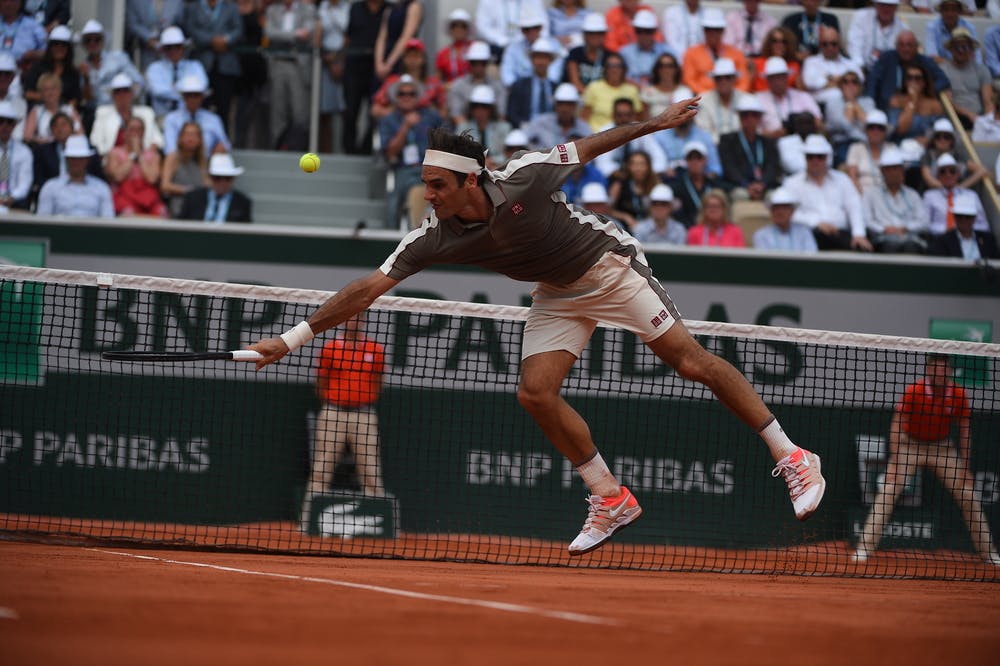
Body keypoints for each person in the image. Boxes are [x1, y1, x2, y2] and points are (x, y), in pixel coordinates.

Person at [249, 102, 828, 556]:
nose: (428, 195)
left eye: (438, 186)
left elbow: (594, 145)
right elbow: (367, 289)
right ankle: (610, 496)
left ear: (471, 181)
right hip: (556, 294)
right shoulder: (433, 235)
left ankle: (793, 455)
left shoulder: (524, 176)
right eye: (425, 184)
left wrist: (660, 122)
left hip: (608, 267)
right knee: (534, 392)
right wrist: (292, 338)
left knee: (689, 360)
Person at [853, 354, 1000, 566]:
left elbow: (965, 431)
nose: (939, 372)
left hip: (943, 449)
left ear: (949, 371)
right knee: (888, 490)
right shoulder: (915, 391)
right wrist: (894, 463)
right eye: (935, 368)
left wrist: (965, 468)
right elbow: (897, 424)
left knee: (968, 495)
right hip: (910, 446)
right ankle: (863, 549)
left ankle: (988, 553)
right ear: (928, 370)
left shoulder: (958, 394)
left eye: (943, 368)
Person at [301, 312, 388, 529]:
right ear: (344, 321)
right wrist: (337, 400)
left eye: (359, 318)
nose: (355, 322)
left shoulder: (375, 349)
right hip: (334, 413)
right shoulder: (331, 348)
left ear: (364, 322)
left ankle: (378, 522)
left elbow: (378, 382)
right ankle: (308, 522)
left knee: (370, 468)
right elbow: (320, 382)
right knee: (322, 466)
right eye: (351, 318)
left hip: (364, 415)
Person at [783, 134, 872, 251]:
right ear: (805, 158)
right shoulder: (792, 183)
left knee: (866, 244)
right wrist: (816, 223)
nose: (815, 161)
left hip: (840, 233)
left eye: (820, 157)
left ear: (827, 158)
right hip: (809, 233)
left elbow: (854, 207)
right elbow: (787, 213)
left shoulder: (843, 180)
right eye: (810, 157)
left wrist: (858, 234)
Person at [378, 74, 444, 229]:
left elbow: (445, 143)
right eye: (402, 94)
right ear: (396, 96)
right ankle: (392, 241)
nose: (406, 97)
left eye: (411, 94)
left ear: (417, 96)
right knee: (393, 201)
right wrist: (405, 127)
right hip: (403, 170)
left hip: (430, 168)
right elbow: (390, 153)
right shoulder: (388, 120)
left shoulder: (431, 117)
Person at [181, 0, 243, 132]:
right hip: (202, 65)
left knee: (224, 108)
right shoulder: (193, 7)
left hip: (226, 66)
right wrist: (211, 40)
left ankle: (222, 144)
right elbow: (191, 29)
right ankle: (198, 141)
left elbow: (238, 30)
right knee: (200, 106)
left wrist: (226, 40)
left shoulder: (231, 7)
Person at [263, 0, 316, 151]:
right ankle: (277, 148)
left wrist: (283, 36)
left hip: (298, 64)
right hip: (278, 62)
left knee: (300, 112)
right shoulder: (272, 10)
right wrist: (294, 35)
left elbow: (307, 32)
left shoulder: (307, 9)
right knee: (278, 112)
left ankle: (299, 148)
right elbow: (269, 32)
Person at [340, 0, 386, 154]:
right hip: (354, 66)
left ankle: (366, 149)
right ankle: (349, 150)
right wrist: (340, 59)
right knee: (351, 109)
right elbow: (347, 36)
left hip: (377, 68)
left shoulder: (388, 10)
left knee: (374, 111)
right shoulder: (356, 8)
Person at [863, 148, 929, 253]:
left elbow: (924, 221)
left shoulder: (912, 194)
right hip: (883, 239)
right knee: (890, 246)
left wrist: (906, 228)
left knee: (911, 247)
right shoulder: (871, 194)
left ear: (902, 170)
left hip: (910, 239)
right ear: (882, 171)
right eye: (888, 169)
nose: (893, 173)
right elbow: (866, 220)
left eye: (896, 168)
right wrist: (884, 229)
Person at [867, 31, 950, 113]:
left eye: (909, 45)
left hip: (917, 107)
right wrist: (870, 103)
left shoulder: (925, 61)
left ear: (917, 47)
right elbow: (872, 80)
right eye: (901, 45)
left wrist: (926, 92)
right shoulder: (886, 58)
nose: (906, 49)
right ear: (896, 46)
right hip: (887, 106)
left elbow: (943, 80)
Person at [719, 96, 780, 202]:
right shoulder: (727, 141)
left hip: (764, 186)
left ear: (759, 118)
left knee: (776, 197)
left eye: (754, 115)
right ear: (739, 117)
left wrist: (763, 184)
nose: (749, 119)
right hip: (740, 186)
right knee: (740, 195)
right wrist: (747, 185)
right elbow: (729, 168)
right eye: (745, 115)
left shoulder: (768, 142)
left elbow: (772, 167)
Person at [35, 135, 113, 218]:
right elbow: (42, 221)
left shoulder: (101, 188)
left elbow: (108, 221)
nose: (76, 162)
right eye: (73, 158)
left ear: (87, 160)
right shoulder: (50, 187)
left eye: (80, 158)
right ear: (66, 159)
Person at [104, 116, 167, 218]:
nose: (135, 133)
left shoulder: (153, 155)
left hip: (147, 197)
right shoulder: (115, 153)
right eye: (132, 129)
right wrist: (133, 156)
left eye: (139, 129)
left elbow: (152, 179)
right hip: (124, 196)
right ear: (125, 132)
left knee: (161, 212)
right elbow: (117, 177)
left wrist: (140, 156)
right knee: (128, 213)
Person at [78, 19, 146, 112]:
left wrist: (125, 100)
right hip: (99, 112)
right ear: (84, 44)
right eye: (88, 40)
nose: (92, 43)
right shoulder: (83, 66)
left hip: (122, 109)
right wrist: (86, 78)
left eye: (97, 39)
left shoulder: (118, 57)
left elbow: (139, 82)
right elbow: (88, 99)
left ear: (103, 40)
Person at [144, 26, 210, 121]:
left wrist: (173, 88)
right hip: (162, 118)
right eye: (169, 48)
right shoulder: (154, 68)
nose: (173, 51)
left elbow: (202, 88)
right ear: (163, 49)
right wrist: (186, 89)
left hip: (191, 118)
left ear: (183, 48)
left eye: (177, 47)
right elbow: (158, 91)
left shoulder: (195, 66)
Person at [89, 73, 163, 157]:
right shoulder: (103, 113)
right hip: (112, 160)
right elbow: (95, 142)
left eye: (125, 90)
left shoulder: (146, 113)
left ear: (132, 93)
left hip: (143, 159)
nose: (122, 95)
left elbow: (158, 140)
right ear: (112, 95)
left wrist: (144, 156)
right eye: (117, 91)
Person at [592, 96, 665, 177]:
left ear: (633, 115)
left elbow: (659, 156)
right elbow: (603, 163)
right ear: (613, 115)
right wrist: (621, 176)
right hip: (615, 177)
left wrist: (647, 173)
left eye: (628, 115)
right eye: (620, 115)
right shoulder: (604, 133)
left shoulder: (641, 129)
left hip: (641, 175)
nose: (624, 119)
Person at [682, 9, 749, 95]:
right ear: (704, 30)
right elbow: (689, 80)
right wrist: (709, 97)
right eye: (708, 29)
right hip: (702, 100)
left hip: (732, 100)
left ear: (723, 30)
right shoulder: (691, 53)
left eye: (717, 30)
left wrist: (732, 97)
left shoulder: (736, 54)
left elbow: (744, 81)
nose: (713, 33)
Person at [162, 75, 230, 157]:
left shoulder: (213, 119)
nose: (192, 99)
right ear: (183, 97)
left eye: (196, 95)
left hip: (207, 161)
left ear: (202, 97)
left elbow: (226, 144)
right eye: (189, 95)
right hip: (180, 162)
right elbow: (170, 148)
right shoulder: (171, 119)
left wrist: (219, 149)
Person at [940, 28, 994, 131]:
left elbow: (988, 101)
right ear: (951, 49)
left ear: (971, 49)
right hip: (954, 116)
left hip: (979, 117)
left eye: (965, 47)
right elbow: (948, 102)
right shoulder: (942, 70)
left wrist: (988, 119)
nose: (961, 51)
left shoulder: (982, 69)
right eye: (957, 47)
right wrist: (969, 115)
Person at [755, 57, 822, 139]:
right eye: (773, 78)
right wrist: (771, 134)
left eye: (780, 77)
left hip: (803, 140)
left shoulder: (802, 96)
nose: (777, 82)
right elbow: (753, 129)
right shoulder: (758, 99)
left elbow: (818, 122)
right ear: (767, 80)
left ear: (787, 77)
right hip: (771, 143)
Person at [922, 153, 990, 234]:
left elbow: (984, 226)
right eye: (943, 171)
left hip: (967, 238)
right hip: (940, 241)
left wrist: (964, 229)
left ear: (958, 174)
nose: (948, 175)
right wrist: (947, 231)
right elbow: (924, 225)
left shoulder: (971, 196)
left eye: (952, 171)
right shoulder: (929, 196)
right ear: (938, 176)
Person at [179, 152, 252, 223]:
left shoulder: (242, 202)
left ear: (233, 179)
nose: (222, 183)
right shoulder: (193, 198)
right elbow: (180, 225)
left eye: (227, 178)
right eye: (217, 178)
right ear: (210, 178)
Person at [21, 25, 82, 109]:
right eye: (56, 44)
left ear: (69, 48)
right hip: (38, 112)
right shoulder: (37, 67)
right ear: (50, 47)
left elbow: (75, 100)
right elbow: (28, 93)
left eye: (63, 45)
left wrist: (63, 111)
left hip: (63, 115)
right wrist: (50, 98)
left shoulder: (73, 73)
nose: (59, 48)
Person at [446, 41, 506, 127]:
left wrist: (487, 133)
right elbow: (456, 115)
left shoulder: (498, 86)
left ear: (487, 63)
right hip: (464, 133)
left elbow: (501, 115)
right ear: (469, 63)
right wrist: (471, 133)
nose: (478, 66)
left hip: (492, 131)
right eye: (474, 63)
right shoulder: (457, 86)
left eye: (482, 63)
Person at [506, 37, 562, 128]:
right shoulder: (519, 85)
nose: (541, 62)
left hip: (551, 132)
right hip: (525, 131)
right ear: (532, 60)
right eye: (537, 57)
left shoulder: (556, 88)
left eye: (544, 58)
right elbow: (512, 113)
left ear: (550, 61)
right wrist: (525, 126)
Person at [666, 140, 723, 227]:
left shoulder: (714, 184)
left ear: (705, 160)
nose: (695, 162)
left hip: (712, 230)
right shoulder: (676, 187)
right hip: (687, 232)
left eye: (698, 158)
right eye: (690, 158)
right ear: (685, 161)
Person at [160, 121, 211, 218]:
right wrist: (189, 191)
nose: (191, 138)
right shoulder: (173, 157)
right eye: (188, 134)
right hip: (179, 205)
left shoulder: (202, 160)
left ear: (200, 140)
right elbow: (165, 186)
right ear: (181, 138)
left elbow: (206, 183)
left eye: (195, 135)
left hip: (199, 206)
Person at [581, 53, 642, 133]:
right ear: (605, 69)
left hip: (625, 136)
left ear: (623, 69)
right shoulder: (594, 87)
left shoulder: (632, 90)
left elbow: (638, 119)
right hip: (596, 136)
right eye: (610, 66)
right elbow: (584, 118)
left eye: (618, 66)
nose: (614, 69)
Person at [927, 193, 1000, 260]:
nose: (963, 220)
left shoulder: (988, 239)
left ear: (974, 218)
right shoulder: (943, 241)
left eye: (968, 217)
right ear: (954, 217)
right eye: (959, 216)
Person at [826, 73, 877, 168]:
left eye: (854, 82)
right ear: (841, 86)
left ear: (860, 86)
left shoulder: (868, 102)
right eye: (846, 82)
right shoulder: (832, 103)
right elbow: (844, 126)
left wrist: (855, 105)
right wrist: (850, 104)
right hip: (842, 143)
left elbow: (870, 126)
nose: (850, 85)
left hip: (866, 143)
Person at [918, 119, 985, 191]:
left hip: (955, 195)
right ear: (933, 140)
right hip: (931, 194)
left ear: (952, 140)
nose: (942, 140)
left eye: (946, 137)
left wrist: (961, 187)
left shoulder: (957, 156)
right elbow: (928, 179)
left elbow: (981, 171)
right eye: (938, 136)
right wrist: (948, 188)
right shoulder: (928, 155)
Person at [500, 14, 563, 88]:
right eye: (526, 29)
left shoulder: (554, 46)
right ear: (522, 30)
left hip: (546, 88)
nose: (531, 32)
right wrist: (518, 90)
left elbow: (554, 75)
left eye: (535, 28)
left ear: (541, 28)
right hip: (519, 90)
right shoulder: (513, 48)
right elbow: (507, 75)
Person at [455, 85, 512, 168]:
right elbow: (458, 154)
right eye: (475, 106)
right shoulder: (463, 127)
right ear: (471, 108)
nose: (480, 110)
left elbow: (509, 154)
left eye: (484, 106)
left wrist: (492, 161)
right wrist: (481, 162)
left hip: (498, 170)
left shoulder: (504, 128)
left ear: (491, 109)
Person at [523, 82, 592, 150]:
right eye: (560, 104)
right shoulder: (540, 123)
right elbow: (523, 142)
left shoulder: (584, 130)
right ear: (555, 105)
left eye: (569, 104)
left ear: (576, 106)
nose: (564, 109)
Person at [692, 58, 747, 143]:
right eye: (719, 78)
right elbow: (704, 132)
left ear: (734, 79)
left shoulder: (745, 99)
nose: (723, 81)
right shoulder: (703, 100)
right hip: (713, 148)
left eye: (727, 77)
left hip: (740, 149)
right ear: (714, 80)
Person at [887, 63, 944, 143]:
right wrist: (913, 100)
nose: (913, 81)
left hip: (925, 147)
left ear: (924, 82)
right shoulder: (896, 101)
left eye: (917, 78)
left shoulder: (934, 105)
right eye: (909, 78)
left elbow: (941, 131)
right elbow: (900, 130)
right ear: (905, 82)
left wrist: (928, 139)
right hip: (899, 145)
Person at [801, 26, 856, 108]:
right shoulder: (811, 61)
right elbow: (810, 83)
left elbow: (859, 80)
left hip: (847, 104)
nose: (830, 47)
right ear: (820, 45)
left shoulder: (850, 63)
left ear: (840, 44)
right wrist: (843, 82)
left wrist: (828, 80)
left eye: (833, 44)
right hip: (820, 106)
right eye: (825, 44)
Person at [607, 149, 661, 232]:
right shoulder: (619, 185)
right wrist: (625, 217)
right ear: (628, 166)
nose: (638, 168)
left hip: (649, 229)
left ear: (648, 166)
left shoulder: (655, 185)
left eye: (642, 164)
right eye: (634, 164)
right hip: (624, 230)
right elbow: (607, 210)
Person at [474, 0, 548, 60]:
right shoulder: (487, 1)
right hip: (499, 47)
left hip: (529, 46)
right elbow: (482, 27)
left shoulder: (535, 1)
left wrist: (524, 42)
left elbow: (544, 27)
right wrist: (503, 41)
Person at [21, 73, 81, 145]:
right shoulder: (36, 111)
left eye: (53, 88)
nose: (50, 93)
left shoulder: (69, 110)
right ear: (40, 93)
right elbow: (27, 137)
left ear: (60, 90)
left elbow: (80, 134)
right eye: (46, 90)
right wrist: (46, 141)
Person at [845, 109, 897, 192]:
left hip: (887, 195)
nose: (875, 131)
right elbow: (852, 177)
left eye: (880, 128)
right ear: (866, 130)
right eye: (871, 127)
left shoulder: (892, 148)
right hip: (862, 194)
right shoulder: (856, 148)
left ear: (885, 131)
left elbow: (897, 177)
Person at [847, 0, 908, 70]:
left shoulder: (903, 28)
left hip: (888, 72)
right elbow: (854, 47)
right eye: (882, 5)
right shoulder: (861, 17)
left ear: (896, 7)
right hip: (862, 68)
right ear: (875, 5)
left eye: (890, 6)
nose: (886, 9)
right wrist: (860, 68)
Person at [125, 0, 186, 71]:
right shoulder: (135, 2)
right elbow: (132, 23)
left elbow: (181, 23)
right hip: (144, 51)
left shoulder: (177, 2)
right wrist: (148, 39)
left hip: (169, 52)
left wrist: (169, 37)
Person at [618, 9, 674, 87]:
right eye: (639, 31)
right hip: (632, 92)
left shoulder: (668, 52)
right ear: (634, 30)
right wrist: (638, 86)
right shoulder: (624, 52)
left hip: (661, 92)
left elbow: (675, 76)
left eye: (647, 31)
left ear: (654, 31)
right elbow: (618, 76)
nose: (643, 35)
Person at [752, 187, 818, 252]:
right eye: (776, 208)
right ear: (771, 212)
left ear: (792, 211)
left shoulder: (804, 232)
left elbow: (811, 257)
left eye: (785, 208)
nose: (780, 212)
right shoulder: (762, 235)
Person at [563, 12, 612, 94]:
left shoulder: (610, 56)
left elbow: (612, 83)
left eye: (599, 33)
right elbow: (575, 82)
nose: (595, 36)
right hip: (578, 97)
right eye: (591, 33)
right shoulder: (575, 53)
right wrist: (589, 96)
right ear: (584, 35)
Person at [374, 0, 423, 81]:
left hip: (401, 57)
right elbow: (381, 38)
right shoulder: (390, 9)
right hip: (385, 57)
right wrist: (378, 63)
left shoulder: (414, 6)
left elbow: (406, 37)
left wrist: (389, 64)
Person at [0, 100, 33, 211]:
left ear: (14, 125)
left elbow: (25, 182)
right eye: (1, 121)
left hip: (13, 204)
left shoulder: (24, 151)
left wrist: (10, 198)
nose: (4, 126)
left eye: (9, 122)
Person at [924, 0, 978, 65]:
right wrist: (953, 66)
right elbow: (932, 57)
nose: (950, 14)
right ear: (940, 11)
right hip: (940, 68)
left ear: (960, 11)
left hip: (965, 69)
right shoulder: (932, 27)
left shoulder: (969, 27)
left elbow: (976, 57)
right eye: (946, 10)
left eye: (954, 10)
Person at [641, 53, 692, 119]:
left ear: (676, 69)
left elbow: (688, 117)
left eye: (670, 66)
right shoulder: (647, 91)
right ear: (656, 69)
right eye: (661, 66)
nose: (666, 69)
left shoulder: (684, 91)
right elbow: (644, 120)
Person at [749, 27, 800, 94]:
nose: (779, 45)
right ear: (769, 43)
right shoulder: (756, 63)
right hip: (760, 100)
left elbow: (799, 92)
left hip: (785, 102)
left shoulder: (794, 65)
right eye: (775, 41)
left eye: (784, 42)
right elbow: (748, 89)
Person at [434, 8, 473, 83]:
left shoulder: (475, 48)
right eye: (454, 26)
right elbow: (437, 81)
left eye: (463, 26)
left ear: (468, 29)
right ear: (450, 29)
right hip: (450, 92)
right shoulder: (442, 53)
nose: (459, 29)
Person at [662, 0, 703, 65]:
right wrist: (689, 58)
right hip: (679, 61)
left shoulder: (708, 14)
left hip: (702, 61)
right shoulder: (671, 12)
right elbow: (671, 43)